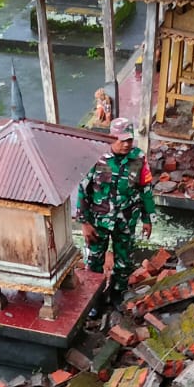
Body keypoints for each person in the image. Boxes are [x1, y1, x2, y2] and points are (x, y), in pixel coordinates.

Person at [76, 117, 154, 310]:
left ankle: (118, 294)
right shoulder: (96, 156)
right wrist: (84, 223)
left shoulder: (139, 158)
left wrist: (147, 219)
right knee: (94, 262)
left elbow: (145, 189)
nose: (127, 144)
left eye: (130, 140)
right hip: (98, 222)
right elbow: (82, 190)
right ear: (112, 137)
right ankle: (94, 301)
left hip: (126, 220)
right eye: (122, 140)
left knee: (124, 260)